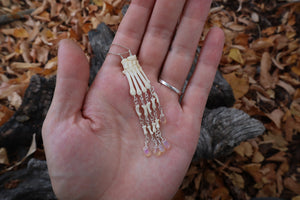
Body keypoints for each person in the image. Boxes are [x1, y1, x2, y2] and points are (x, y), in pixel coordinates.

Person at [42, 0, 225, 199]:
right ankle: (154, 139)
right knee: (146, 104)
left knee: (148, 104)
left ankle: (155, 139)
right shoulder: (132, 73)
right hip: (135, 80)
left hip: (138, 82)